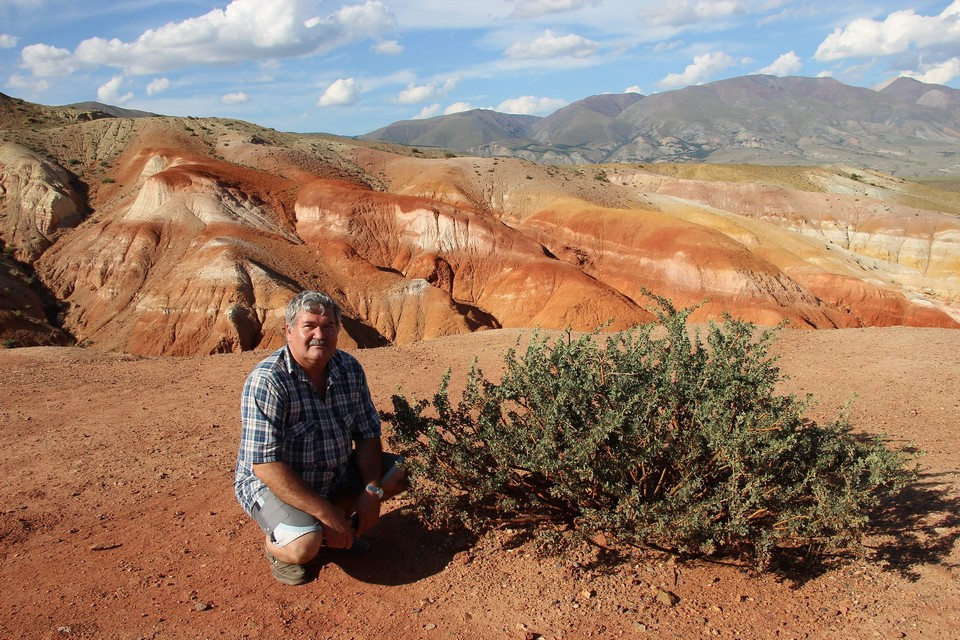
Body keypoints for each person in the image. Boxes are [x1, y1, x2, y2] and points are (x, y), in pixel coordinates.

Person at [234, 290, 406, 585]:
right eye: (309, 326)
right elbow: (265, 466)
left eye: (328, 327)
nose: (319, 335)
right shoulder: (268, 381)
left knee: (401, 472)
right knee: (303, 546)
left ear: (338, 332)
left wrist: (372, 490)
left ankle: (339, 534)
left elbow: (366, 435)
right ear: (289, 331)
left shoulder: (348, 369)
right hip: (274, 484)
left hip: (330, 473)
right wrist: (327, 514)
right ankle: (283, 544)